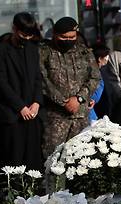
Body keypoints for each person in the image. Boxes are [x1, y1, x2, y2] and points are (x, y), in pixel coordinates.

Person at [40, 17, 100, 157]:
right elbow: (42, 80)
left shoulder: (84, 52)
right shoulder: (44, 52)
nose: (68, 40)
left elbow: (95, 77)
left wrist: (79, 98)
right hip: (55, 118)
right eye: (63, 37)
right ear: (54, 34)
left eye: (72, 37)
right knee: (53, 159)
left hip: (80, 116)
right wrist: (63, 102)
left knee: (81, 160)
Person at [0, 12, 43, 171]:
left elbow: (37, 78)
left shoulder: (33, 49)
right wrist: (20, 107)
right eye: (23, 34)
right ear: (14, 29)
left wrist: (36, 102)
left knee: (33, 161)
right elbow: (1, 83)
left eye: (29, 35)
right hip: (12, 115)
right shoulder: (1, 51)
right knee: (13, 161)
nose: (26, 38)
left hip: (32, 114)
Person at [89, 44, 110, 122]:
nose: (107, 59)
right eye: (106, 57)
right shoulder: (94, 73)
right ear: (100, 58)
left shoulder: (98, 72)